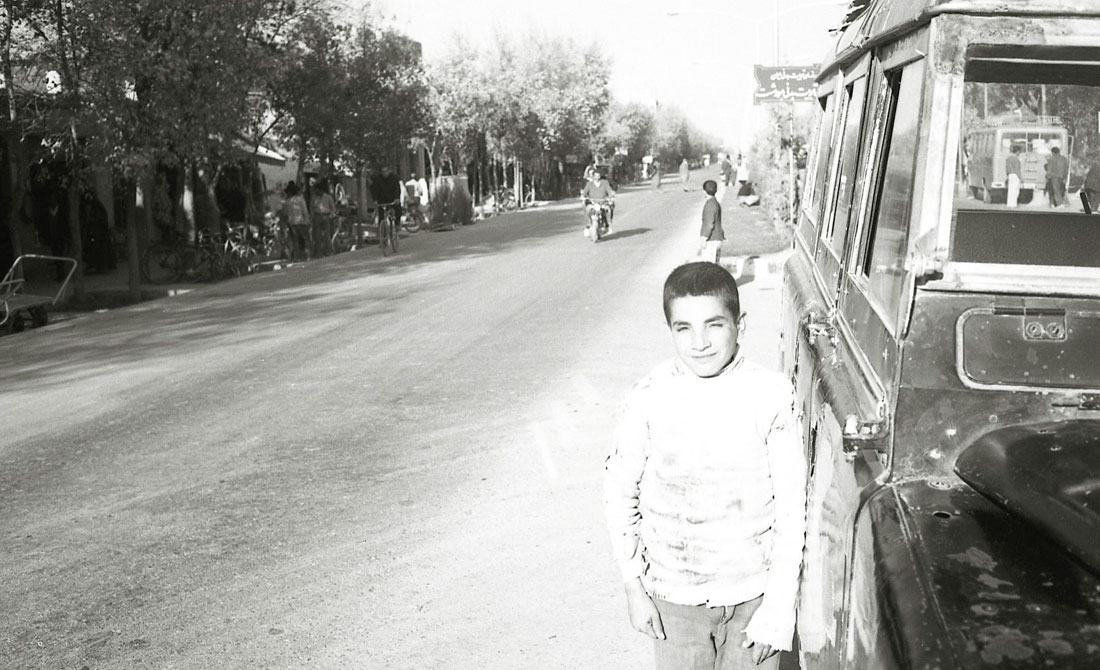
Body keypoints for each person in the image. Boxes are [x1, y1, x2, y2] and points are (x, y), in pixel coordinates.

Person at [604, 261, 807, 670]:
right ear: (670, 331)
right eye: (684, 328)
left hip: (753, 598)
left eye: (714, 325)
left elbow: (792, 509)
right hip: (675, 601)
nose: (699, 343)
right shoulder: (648, 398)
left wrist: (778, 606)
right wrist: (633, 586)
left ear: (739, 325)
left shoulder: (770, 396)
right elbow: (619, 493)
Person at [280, 181, 311, 262]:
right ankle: (307, 256)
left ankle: (297, 257)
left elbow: (285, 213)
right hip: (301, 222)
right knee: (305, 239)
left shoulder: (287, 202)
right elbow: (304, 211)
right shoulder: (300, 199)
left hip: (292, 223)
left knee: (295, 241)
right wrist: (307, 220)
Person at [581, 169, 616, 237]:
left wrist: (611, 197)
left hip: (603, 202)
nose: (597, 177)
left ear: (600, 176)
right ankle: (587, 226)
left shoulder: (605, 183)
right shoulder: (589, 184)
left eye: (598, 175)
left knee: (608, 209)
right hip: (592, 203)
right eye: (595, 175)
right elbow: (584, 192)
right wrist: (583, 196)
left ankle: (607, 225)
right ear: (593, 176)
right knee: (587, 209)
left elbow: (609, 191)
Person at [699, 180, 723, 264]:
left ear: (704, 191)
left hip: (712, 239)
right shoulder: (715, 203)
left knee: (709, 265)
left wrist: (704, 238)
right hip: (716, 239)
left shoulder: (710, 205)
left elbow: (709, 224)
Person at [311, 180, 336, 257]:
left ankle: (328, 251)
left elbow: (333, 209)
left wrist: (330, 216)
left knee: (326, 235)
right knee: (317, 236)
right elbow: (311, 208)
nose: (315, 191)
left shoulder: (328, 197)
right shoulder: (314, 198)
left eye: (316, 190)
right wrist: (312, 217)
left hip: (326, 216)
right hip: (317, 216)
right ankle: (319, 252)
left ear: (320, 189)